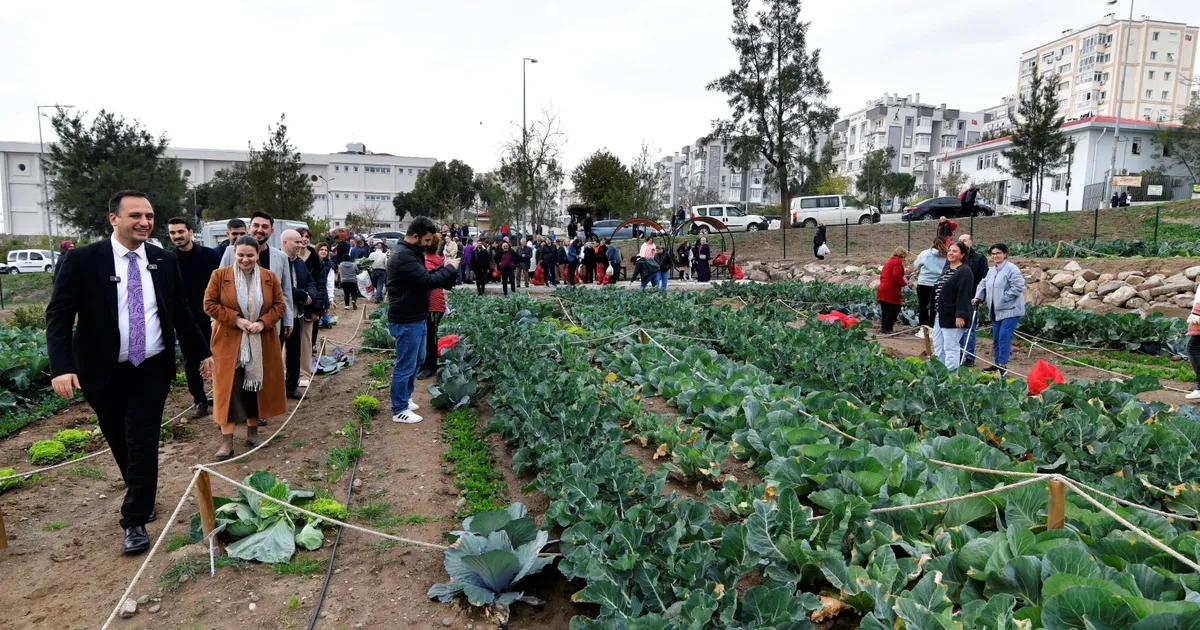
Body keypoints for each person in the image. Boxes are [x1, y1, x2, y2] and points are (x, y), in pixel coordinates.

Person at [46, 190, 213, 554]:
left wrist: (203, 353)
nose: (144, 222)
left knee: (142, 438)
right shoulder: (82, 261)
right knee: (118, 437)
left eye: (149, 216)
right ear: (114, 219)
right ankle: (140, 490)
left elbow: (181, 311)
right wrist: (61, 367)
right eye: (135, 215)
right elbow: (58, 317)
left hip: (150, 365)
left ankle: (134, 518)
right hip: (101, 369)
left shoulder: (163, 260)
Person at [203, 235, 288, 459]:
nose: (245, 259)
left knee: (255, 388)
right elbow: (209, 304)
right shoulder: (220, 276)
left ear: (258, 255)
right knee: (228, 391)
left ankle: (253, 433)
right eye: (240, 255)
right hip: (229, 343)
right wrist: (237, 320)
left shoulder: (269, 277)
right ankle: (227, 441)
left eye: (250, 255)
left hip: (261, 342)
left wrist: (262, 322)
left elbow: (280, 306)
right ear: (234, 254)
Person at [386, 217, 460, 424]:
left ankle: (405, 398)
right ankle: (399, 409)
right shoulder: (404, 256)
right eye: (427, 240)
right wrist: (450, 269)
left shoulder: (411, 253)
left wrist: (444, 268)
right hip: (406, 318)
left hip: (416, 316)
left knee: (417, 360)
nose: (429, 244)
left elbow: (424, 277)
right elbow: (427, 282)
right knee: (406, 364)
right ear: (416, 236)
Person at [168, 217, 221, 419]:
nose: (177, 236)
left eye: (180, 232)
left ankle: (222, 396)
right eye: (173, 233)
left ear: (190, 232)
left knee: (219, 357)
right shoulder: (168, 259)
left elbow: (220, 285)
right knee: (191, 361)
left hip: (211, 317)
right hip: (184, 320)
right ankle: (199, 400)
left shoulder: (209, 256)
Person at [219, 212, 294, 335]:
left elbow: (286, 292)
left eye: (265, 227)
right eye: (256, 225)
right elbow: (219, 289)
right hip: (235, 325)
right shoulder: (229, 252)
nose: (260, 230)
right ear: (250, 228)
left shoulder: (281, 257)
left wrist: (288, 320)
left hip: (269, 325)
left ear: (271, 230)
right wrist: (215, 319)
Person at [973, 243, 1025, 378]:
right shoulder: (992, 270)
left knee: (1003, 337)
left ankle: (1002, 365)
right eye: (993, 254)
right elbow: (983, 283)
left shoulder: (1012, 269)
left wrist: (1004, 298)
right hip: (996, 310)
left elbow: (1018, 286)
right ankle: (996, 364)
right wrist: (978, 296)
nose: (995, 256)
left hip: (1010, 310)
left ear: (1005, 254)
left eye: (998, 253)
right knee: (996, 338)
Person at [281, 230, 317, 400]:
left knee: (295, 352)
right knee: (276, 352)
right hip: (280, 315)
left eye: (301, 241)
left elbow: (311, 281)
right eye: (296, 242)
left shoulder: (300, 263)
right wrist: (304, 296)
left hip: (298, 314)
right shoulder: (278, 262)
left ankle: (291, 387)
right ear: (285, 243)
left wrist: (310, 295)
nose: (300, 244)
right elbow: (282, 288)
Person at [931, 242, 975, 371]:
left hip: (953, 315)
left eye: (955, 251)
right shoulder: (947, 269)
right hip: (940, 313)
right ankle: (940, 372)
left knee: (951, 346)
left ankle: (951, 374)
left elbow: (964, 294)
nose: (950, 253)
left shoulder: (965, 271)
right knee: (938, 344)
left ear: (962, 254)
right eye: (950, 250)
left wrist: (960, 315)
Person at [417, 234, 447, 380]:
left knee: (430, 337)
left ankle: (430, 367)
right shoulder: (434, 260)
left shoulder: (428, 262)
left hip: (432, 305)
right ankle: (426, 364)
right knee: (429, 336)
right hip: (435, 304)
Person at [956, 234, 989, 367]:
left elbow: (984, 278)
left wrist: (980, 296)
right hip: (958, 298)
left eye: (964, 240)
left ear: (971, 242)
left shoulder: (979, 258)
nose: (962, 242)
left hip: (972, 298)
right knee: (957, 328)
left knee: (969, 329)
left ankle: (969, 356)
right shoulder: (957, 258)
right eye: (959, 241)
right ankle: (957, 353)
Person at [913, 239, 949, 340]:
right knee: (935, 307)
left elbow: (916, 265)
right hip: (938, 284)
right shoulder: (946, 255)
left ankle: (923, 329)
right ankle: (933, 328)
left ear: (933, 243)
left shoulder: (925, 253)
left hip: (924, 283)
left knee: (923, 306)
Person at [877, 247, 908, 334]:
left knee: (885, 309)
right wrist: (904, 284)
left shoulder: (889, 261)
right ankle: (887, 327)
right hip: (891, 289)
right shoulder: (897, 262)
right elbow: (896, 275)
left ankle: (884, 327)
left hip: (882, 287)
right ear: (902, 256)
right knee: (895, 308)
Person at [314, 243, 335, 329]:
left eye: (326, 250)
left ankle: (324, 321)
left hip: (323, 290)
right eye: (321, 249)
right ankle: (323, 321)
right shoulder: (312, 262)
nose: (324, 252)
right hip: (312, 290)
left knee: (322, 307)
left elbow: (330, 282)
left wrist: (331, 298)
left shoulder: (329, 264)